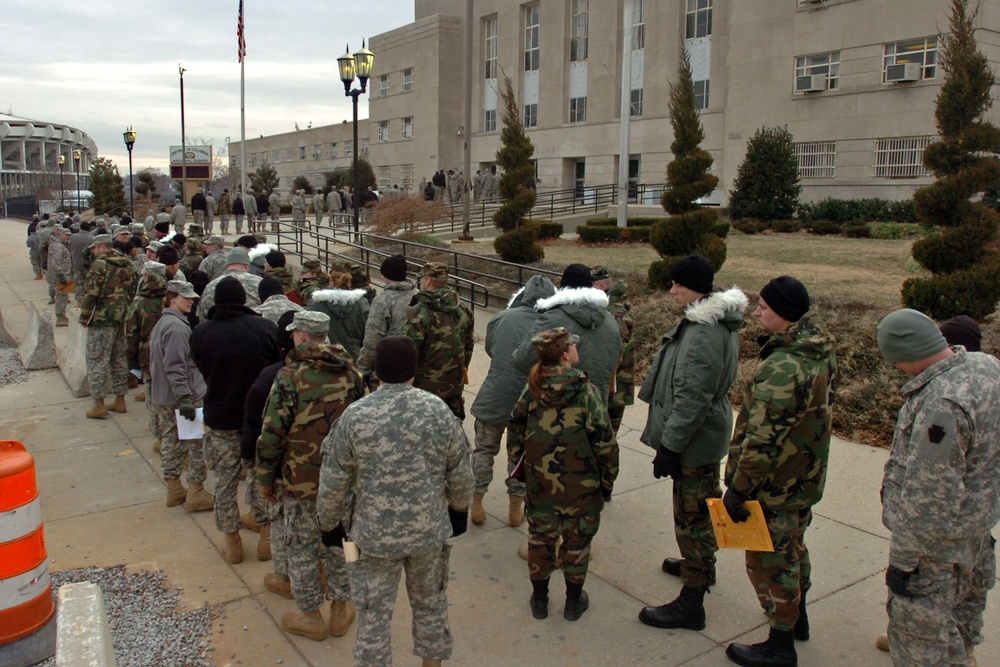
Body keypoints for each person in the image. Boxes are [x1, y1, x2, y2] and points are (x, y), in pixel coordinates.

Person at [317, 336, 473, 667]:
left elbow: (334, 481)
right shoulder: (438, 410)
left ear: (376, 371)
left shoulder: (355, 416)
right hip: (428, 534)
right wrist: (459, 510)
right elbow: (461, 470)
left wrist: (329, 525)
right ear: (414, 371)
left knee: (372, 618)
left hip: (371, 539)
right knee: (431, 606)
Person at [723, 276, 839, 667]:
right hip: (802, 478)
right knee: (794, 550)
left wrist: (739, 487)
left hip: (773, 485)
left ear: (785, 315)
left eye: (764, 308)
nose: (756, 311)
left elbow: (761, 438)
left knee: (771, 562)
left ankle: (780, 644)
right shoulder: (819, 352)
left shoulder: (783, 366)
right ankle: (797, 618)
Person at [875, 309, 999, 667]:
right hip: (974, 529)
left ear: (903, 353)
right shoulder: (986, 366)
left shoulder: (941, 407)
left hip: (934, 549)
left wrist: (905, 562)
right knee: (955, 621)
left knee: (919, 643)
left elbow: (929, 496)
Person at [636, 256, 747, 632]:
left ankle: (692, 600)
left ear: (696, 288)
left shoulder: (702, 332)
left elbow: (692, 398)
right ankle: (699, 567)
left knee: (692, 517)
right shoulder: (711, 322)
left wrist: (670, 446)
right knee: (699, 507)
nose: (671, 291)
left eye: (677, 285)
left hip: (693, 442)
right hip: (702, 436)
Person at [256, 310, 366, 641]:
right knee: (345, 544)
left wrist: (265, 479)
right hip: (344, 484)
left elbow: (272, 432)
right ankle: (340, 610)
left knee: (302, 549)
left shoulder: (289, 377)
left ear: (302, 335)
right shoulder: (353, 375)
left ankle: (311, 617)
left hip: (299, 485)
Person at [507, 327, 618, 622]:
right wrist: (607, 481)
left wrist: (519, 468)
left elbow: (515, 429)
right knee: (577, 543)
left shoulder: (531, 388)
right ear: (566, 354)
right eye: (573, 346)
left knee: (540, 540)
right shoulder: (585, 392)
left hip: (540, 483)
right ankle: (572, 602)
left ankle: (540, 601)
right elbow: (605, 441)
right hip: (582, 487)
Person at [191, 277, 281, 564]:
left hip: (221, 417)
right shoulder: (265, 328)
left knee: (225, 480)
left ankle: (232, 540)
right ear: (244, 299)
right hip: (259, 418)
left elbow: (203, 370)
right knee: (261, 477)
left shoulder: (201, 333)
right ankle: (266, 535)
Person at [468, 275, 556, 527]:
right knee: (521, 457)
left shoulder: (501, 318)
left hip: (494, 395)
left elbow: (492, 349)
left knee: (484, 450)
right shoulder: (549, 325)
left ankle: (476, 502)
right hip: (529, 400)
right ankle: (515, 507)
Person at [512, 263, 621, 406]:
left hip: (556, 412)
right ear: (591, 286)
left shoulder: (552, 318)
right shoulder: (611, 323)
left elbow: (522, 359)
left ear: (562, 286)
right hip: (595, 412)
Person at [148, 280, 214, 512]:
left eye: (192, 298)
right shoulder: (176, 328)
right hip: (182, 397)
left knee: (171, 442)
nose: (191, 302)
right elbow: (176, 365)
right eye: (185, 297)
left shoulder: (164, 323)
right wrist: (185, 397)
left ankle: (174, 488)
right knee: (196, 444)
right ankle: (196, 491)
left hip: (164, 396)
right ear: (172, 297)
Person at [403, 262, 475, 420]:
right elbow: (468, 346)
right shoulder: (464, 309)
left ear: (427, 280)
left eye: (421, 278)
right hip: (454, 387)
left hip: (424, 391)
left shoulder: (418, 313)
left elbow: (409, 353)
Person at [79, 234, 138, 419]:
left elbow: (91, 294)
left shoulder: (100, 265)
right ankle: (120, 400)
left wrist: (84, 317)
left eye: (94, 248)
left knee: (97, 360)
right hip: (122, 317)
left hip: (102, 320)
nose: (93, 252)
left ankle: (99, 404)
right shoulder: (127, 263)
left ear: (102, 247)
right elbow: (134, 287)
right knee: (119, 358)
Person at [356, 254, 417, 381]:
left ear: (385, 274)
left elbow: (373, 340)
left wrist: (363, 368)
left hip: (390, 367)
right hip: (416, 365)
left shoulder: (382, 300)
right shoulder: (418, 295)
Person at [308, 269, 370, 363]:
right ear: (350, 282)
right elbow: (368, 332)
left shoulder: (317, 303)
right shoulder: (362, 304)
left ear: (331, 279)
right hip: (352, 357)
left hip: (323, 356)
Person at [197, 247, 264, 319]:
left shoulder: (211, 285)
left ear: (227, 266)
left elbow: (201, 314)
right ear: (246, 266)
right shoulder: (260, 283)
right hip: (253, 327)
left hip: (218, 326)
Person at [47, 225, 73, 327]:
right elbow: (54, 262)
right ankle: (60, 317)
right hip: (61, 276)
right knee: (62, 296)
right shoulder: (58, 246)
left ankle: (62, 315)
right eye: (67, 235)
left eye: (69, 235)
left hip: (65, 274)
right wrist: (61, 275)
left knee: (64, 296)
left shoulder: (61, 244)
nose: (68, 237)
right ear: (60, 234)